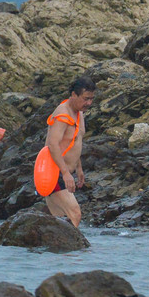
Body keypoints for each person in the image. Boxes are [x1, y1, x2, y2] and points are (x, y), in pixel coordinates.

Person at [41, 75, 95, 228]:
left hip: (64, 172)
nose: (89, 103)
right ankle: (73, 252)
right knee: (75, 214)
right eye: (85, 98)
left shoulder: (78, 113)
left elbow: (74, 142)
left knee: (58, 222)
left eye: (91, 99)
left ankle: (54, 250)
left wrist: (78, 168)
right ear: (73, 95)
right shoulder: (63, 114)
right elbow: (52, 144)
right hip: (54, 173)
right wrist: (65, 173)